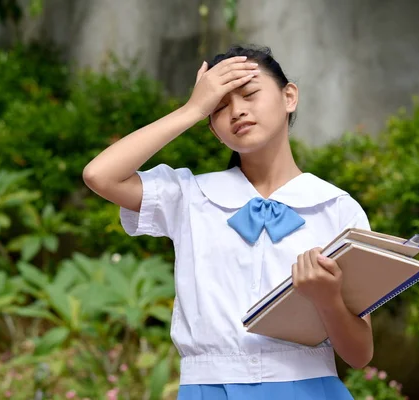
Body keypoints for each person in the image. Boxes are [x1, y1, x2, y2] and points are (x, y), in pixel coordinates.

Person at [82, 45, 373, 399]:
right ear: (212, 129)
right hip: (208, 389)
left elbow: (359, 355)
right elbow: (100, 175)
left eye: (250, 93)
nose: (237, 110)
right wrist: (192, 109)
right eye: (218, 106)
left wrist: (327, 299)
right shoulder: (189, 197)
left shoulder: (336, 208)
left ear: (289, 96)